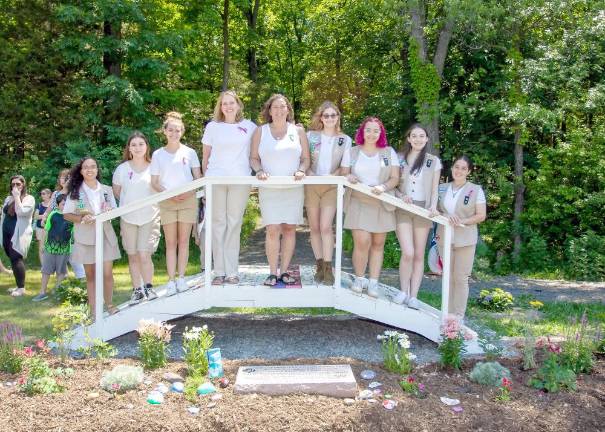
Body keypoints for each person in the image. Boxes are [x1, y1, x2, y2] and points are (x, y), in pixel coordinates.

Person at [250, 94, 310, 286]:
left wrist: (301, 170)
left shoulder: (298, 131)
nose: (279, 110)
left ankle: (284, 271)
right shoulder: (261, 131)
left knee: (290, 228)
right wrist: (259, 171)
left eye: (282, 106)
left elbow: (306, 159)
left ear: (288, 110)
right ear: (269, 110)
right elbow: (253, 158)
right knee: (273, 228)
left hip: (293, 188)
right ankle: (272, 273)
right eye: (275, 107)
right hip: (269, 188)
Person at [201, 91, 256, 285]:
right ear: (220, 107)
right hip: (215, 179)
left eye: (231, 103)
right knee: (218, 224)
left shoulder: (249, 127)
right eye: (224, 103)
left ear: (238, 105)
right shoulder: (212, 127)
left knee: (234, 224)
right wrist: (203, 179)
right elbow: (206, 155)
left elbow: (259, 149)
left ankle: (232, 271)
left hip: (240, 180)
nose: (228, 106)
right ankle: (219, 272)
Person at [341, 117, 399, 297]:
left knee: (378, 243)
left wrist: (383, 187)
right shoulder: (351, 152)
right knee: (362, 241)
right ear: (362, 132)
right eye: (368, 130)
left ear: (381, 133)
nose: (372, 134)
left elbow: (395, 178)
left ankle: (373, 282)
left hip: (381, 201)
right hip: (358, 201)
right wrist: (349, 177)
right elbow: (344, 173)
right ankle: (359, 278)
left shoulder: (389, 152)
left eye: (376, 130)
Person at [150, 111, 202, 295]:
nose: (174, 133)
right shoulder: (157, 155)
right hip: (167, 202)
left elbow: (198, 178)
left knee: (183, 241)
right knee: (171, 243)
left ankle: (181, 279)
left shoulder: (190, 152)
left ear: (182, 131)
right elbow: (154, 182)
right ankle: (171, 280)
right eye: (170, 130)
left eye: (177, 130)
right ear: (165, 131)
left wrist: (187, 192)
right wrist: (170, 195)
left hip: (188, 201)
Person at [63, 157, 121, 316]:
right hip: (85, 237)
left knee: (107, 273)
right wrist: (81, 219)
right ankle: (94, 311)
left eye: (93, 167)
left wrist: (110, 211)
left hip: (106, 235)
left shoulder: (106, 190)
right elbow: (66, 214)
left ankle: (109, 305)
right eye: (86, 167)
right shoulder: (76, 192)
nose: (90, 170)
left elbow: (115, 212)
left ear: (97, 169)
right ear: (81, 171)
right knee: (91, 275)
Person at [393, 124, 441, 309]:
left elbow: (435, 189)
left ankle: (414, 296)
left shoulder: (433, 161)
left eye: (422, 136)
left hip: (423, 210)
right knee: (408, 252)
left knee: (419, 254)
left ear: (427, 139)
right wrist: (401, 196)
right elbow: (394, 185)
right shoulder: (400, 159)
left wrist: (433, 206)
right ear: (409, 139)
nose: (418, 139)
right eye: (414, 136)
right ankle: (403, 291)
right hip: (404, 207)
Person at [305, 101, 352, 285]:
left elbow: (345, 168)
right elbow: (304, 160)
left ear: (338, 117)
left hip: (332, 186)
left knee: (326, 226)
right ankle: (319, 266)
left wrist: (331, 176)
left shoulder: (345, 139)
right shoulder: (311, 136)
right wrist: (312, 175)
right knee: (314, 227)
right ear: (321, 118)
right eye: (326, 115)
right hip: (312, 184)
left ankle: (328, 267)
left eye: (334, 115)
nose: (330, 118)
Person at [436, 155, 486, 319]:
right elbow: (435, 209)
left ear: (469, 171)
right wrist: (442, 214)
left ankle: (458, 316)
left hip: (465, 239)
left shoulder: (475, 190)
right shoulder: (442, 188)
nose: (459, 171)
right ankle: (447, 312)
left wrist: (461, 221)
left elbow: (481, 215)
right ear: (452, 168)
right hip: (444, 237)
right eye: (457, 167)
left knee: (461, 277)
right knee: (447, 276)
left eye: (463, 168)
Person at [113, 131, 161, 304]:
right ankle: (137, 290)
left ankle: (149, 287)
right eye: (134, 144)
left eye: (141, 144)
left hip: (150, 216)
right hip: (128, 218)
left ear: (147, 146)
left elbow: (159, 187)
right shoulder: (122, 169)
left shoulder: (154, 166)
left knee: (144, 254)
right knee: (132, 255)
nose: (138, 147)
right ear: (129, 148)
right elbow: (117, 193)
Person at [44, 169, 86, 280]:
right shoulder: (55, 194)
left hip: (70, 228)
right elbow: (49, 209)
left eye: (68, 177)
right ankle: (62, 283)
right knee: (61, 259)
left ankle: (82, 280)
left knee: (74, 257)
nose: (65, 180)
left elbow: (81, 209)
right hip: (56, 230)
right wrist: (44, 217)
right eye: (63, 177)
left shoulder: (74, 193)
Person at [33, 193, 72, 302]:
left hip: (64, 249)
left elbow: (74, 233)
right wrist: (42, 245)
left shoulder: (71, 217)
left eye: (67, 204)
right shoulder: (53, 214)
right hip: (50, 248)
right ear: (58, 205)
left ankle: (57, 290)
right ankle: (42, 292)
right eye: (63, 204)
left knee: (61, 271)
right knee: (46, 270)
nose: (65, 206)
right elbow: (46, 229)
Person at [0, 175, 35, 297]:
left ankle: (21, 288)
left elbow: (22, 212)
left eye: (18, 184)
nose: (15, 186)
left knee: (16, 258)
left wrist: (17, 197)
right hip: (6, 232)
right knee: (12, 259)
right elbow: (4, 213)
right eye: (13, 184)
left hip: (19, 233)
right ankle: (18, 285)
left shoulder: (28, 199)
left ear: (23, 185)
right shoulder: (8, 198)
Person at [34, 188, 52, 264]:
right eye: (41, 194)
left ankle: (51, 264)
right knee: (41, 247)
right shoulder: (39, 205)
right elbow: (35, 217)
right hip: (40, 228)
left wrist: (44, 216)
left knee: (50, 246)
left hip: (51, 228)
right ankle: (43, 265)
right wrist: (46, 216)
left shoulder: (53, 205)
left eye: (44, 193)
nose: (42, 195)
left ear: (49, 194)